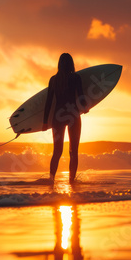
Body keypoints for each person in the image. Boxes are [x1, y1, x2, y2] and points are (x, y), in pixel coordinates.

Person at [42, 53, 87, 183]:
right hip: (73, 116)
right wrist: (84, 107)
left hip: (57, 118)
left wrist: (45, 122)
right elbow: (81, 96)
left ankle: (51, 179)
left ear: (59, 64)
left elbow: (48, 102)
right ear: (72, 64)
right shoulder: (76, 78)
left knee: (57, 152)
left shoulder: (54, 80)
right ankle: (71, 181)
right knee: (73, 152)